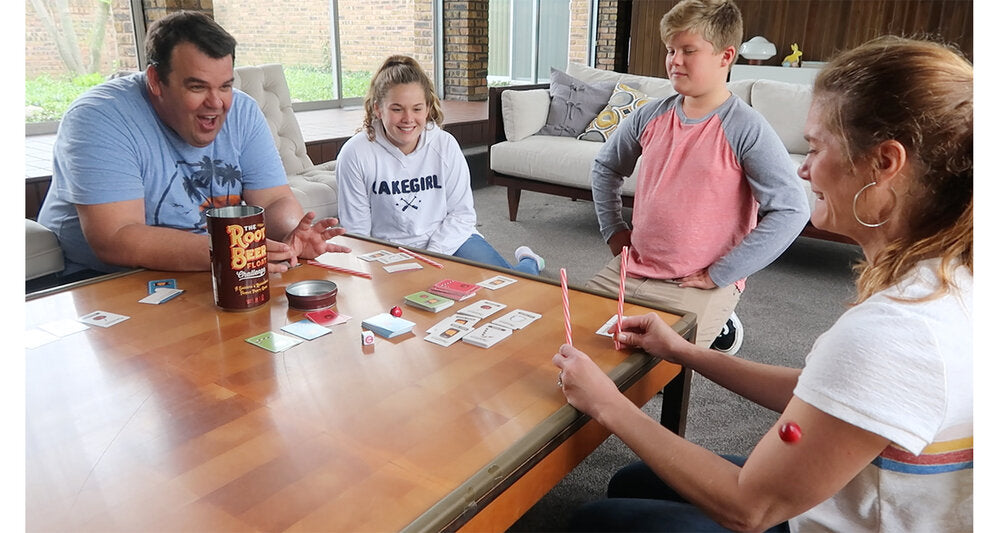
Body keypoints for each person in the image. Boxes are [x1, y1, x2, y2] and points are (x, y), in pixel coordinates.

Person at [554, 35, 972, 531]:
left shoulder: (896, 332)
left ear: (884, 164)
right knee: (633, 481)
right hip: (833, 489)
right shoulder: (950, 278)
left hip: (800, 515)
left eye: (816, 148)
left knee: (596, 520)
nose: (803, 167)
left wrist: (607, 402)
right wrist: (685, 350)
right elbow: (829, 391)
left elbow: (752, 509)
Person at [37, 11, 349, 283]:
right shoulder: (99, 117)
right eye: (197, 87)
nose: (216, 104)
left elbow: (275, 200)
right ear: (156, 82)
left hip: (215, 266)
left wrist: (290, 235)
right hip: (104, 280)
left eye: (225, 86)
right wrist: (233, 250)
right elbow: (117, 239)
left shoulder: (243, 110)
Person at [586, 0, 810, 354]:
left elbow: (792, 209)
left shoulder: (746, 128)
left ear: (725, 56)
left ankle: (721, 324)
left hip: (700, 281)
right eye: (671, 50)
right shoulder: (649, 116)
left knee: (650, 372)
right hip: (636, 265)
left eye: (688, 50)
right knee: (575, 345)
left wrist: (722, 274)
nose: (675, 60)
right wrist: (613, 229)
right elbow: (605, 166)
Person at [336, 55, 545, 275]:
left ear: (427, 108)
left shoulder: (444, 145)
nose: (408, 118)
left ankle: (529, 261)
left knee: (512, 286)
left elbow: (462, 215)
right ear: (378, 109)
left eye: (417, 109)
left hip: (450, 241)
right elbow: (356, 232)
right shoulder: (355, 154)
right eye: (397, 109)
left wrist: (432, 255)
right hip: (389, 251)